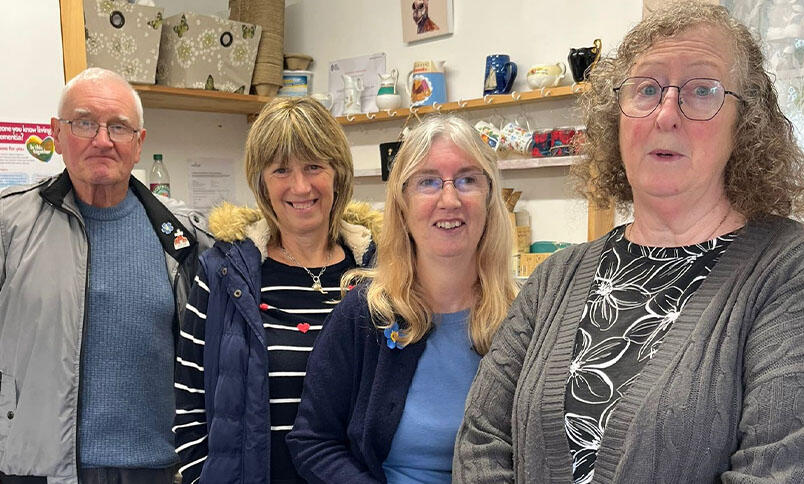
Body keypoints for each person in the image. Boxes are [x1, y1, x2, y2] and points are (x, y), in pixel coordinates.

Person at [454, 4, 804, 483]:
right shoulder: (556, 278)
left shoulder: (787, 271)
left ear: (747, 122)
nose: (666, 114)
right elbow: (481, 441)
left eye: (702, 90)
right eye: (647, 89)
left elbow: (779, 467)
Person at [0, 67, 212, 484]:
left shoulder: (182, 235)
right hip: (36, 471)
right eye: (84, 123)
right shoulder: (7, 225)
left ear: (139, 143)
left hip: (158, 471)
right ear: (57, 133)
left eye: (119, 127)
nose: (102, 140)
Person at [286, 115, 517, 483]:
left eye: (467, 180)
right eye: (428, 182)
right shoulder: (363, 316)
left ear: (490, 199)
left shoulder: (525, 320)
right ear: (402, 205)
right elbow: (313, 441)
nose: (449, 199)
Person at [173, 96, 380, 484]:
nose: (300, 186)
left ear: (338, 173)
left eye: (314, 166)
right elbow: (189, 406)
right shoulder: (222, 274)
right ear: (262, 182)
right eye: (281, 169)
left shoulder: (380, 272)